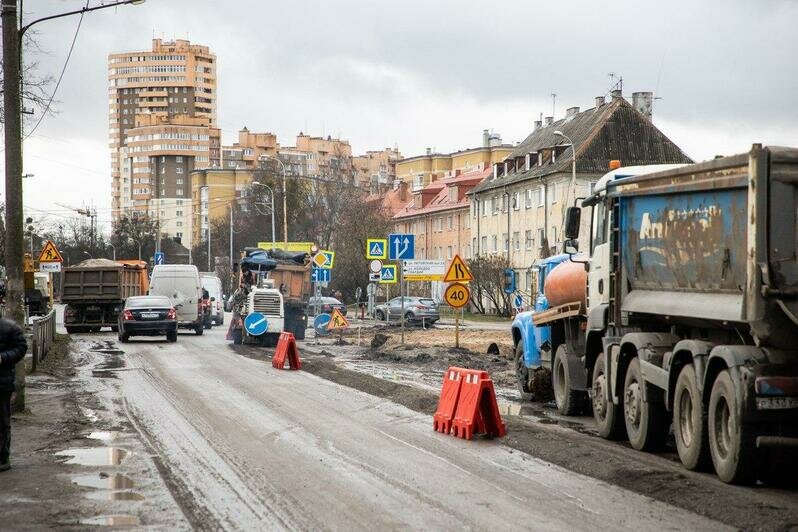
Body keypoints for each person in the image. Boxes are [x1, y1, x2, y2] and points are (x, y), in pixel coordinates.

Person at [0, 318, 28, 472]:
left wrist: (3, 357)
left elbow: (21, 347)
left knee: (2, 422)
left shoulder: (9, 328)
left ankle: (3, 457)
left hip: (2, 383)